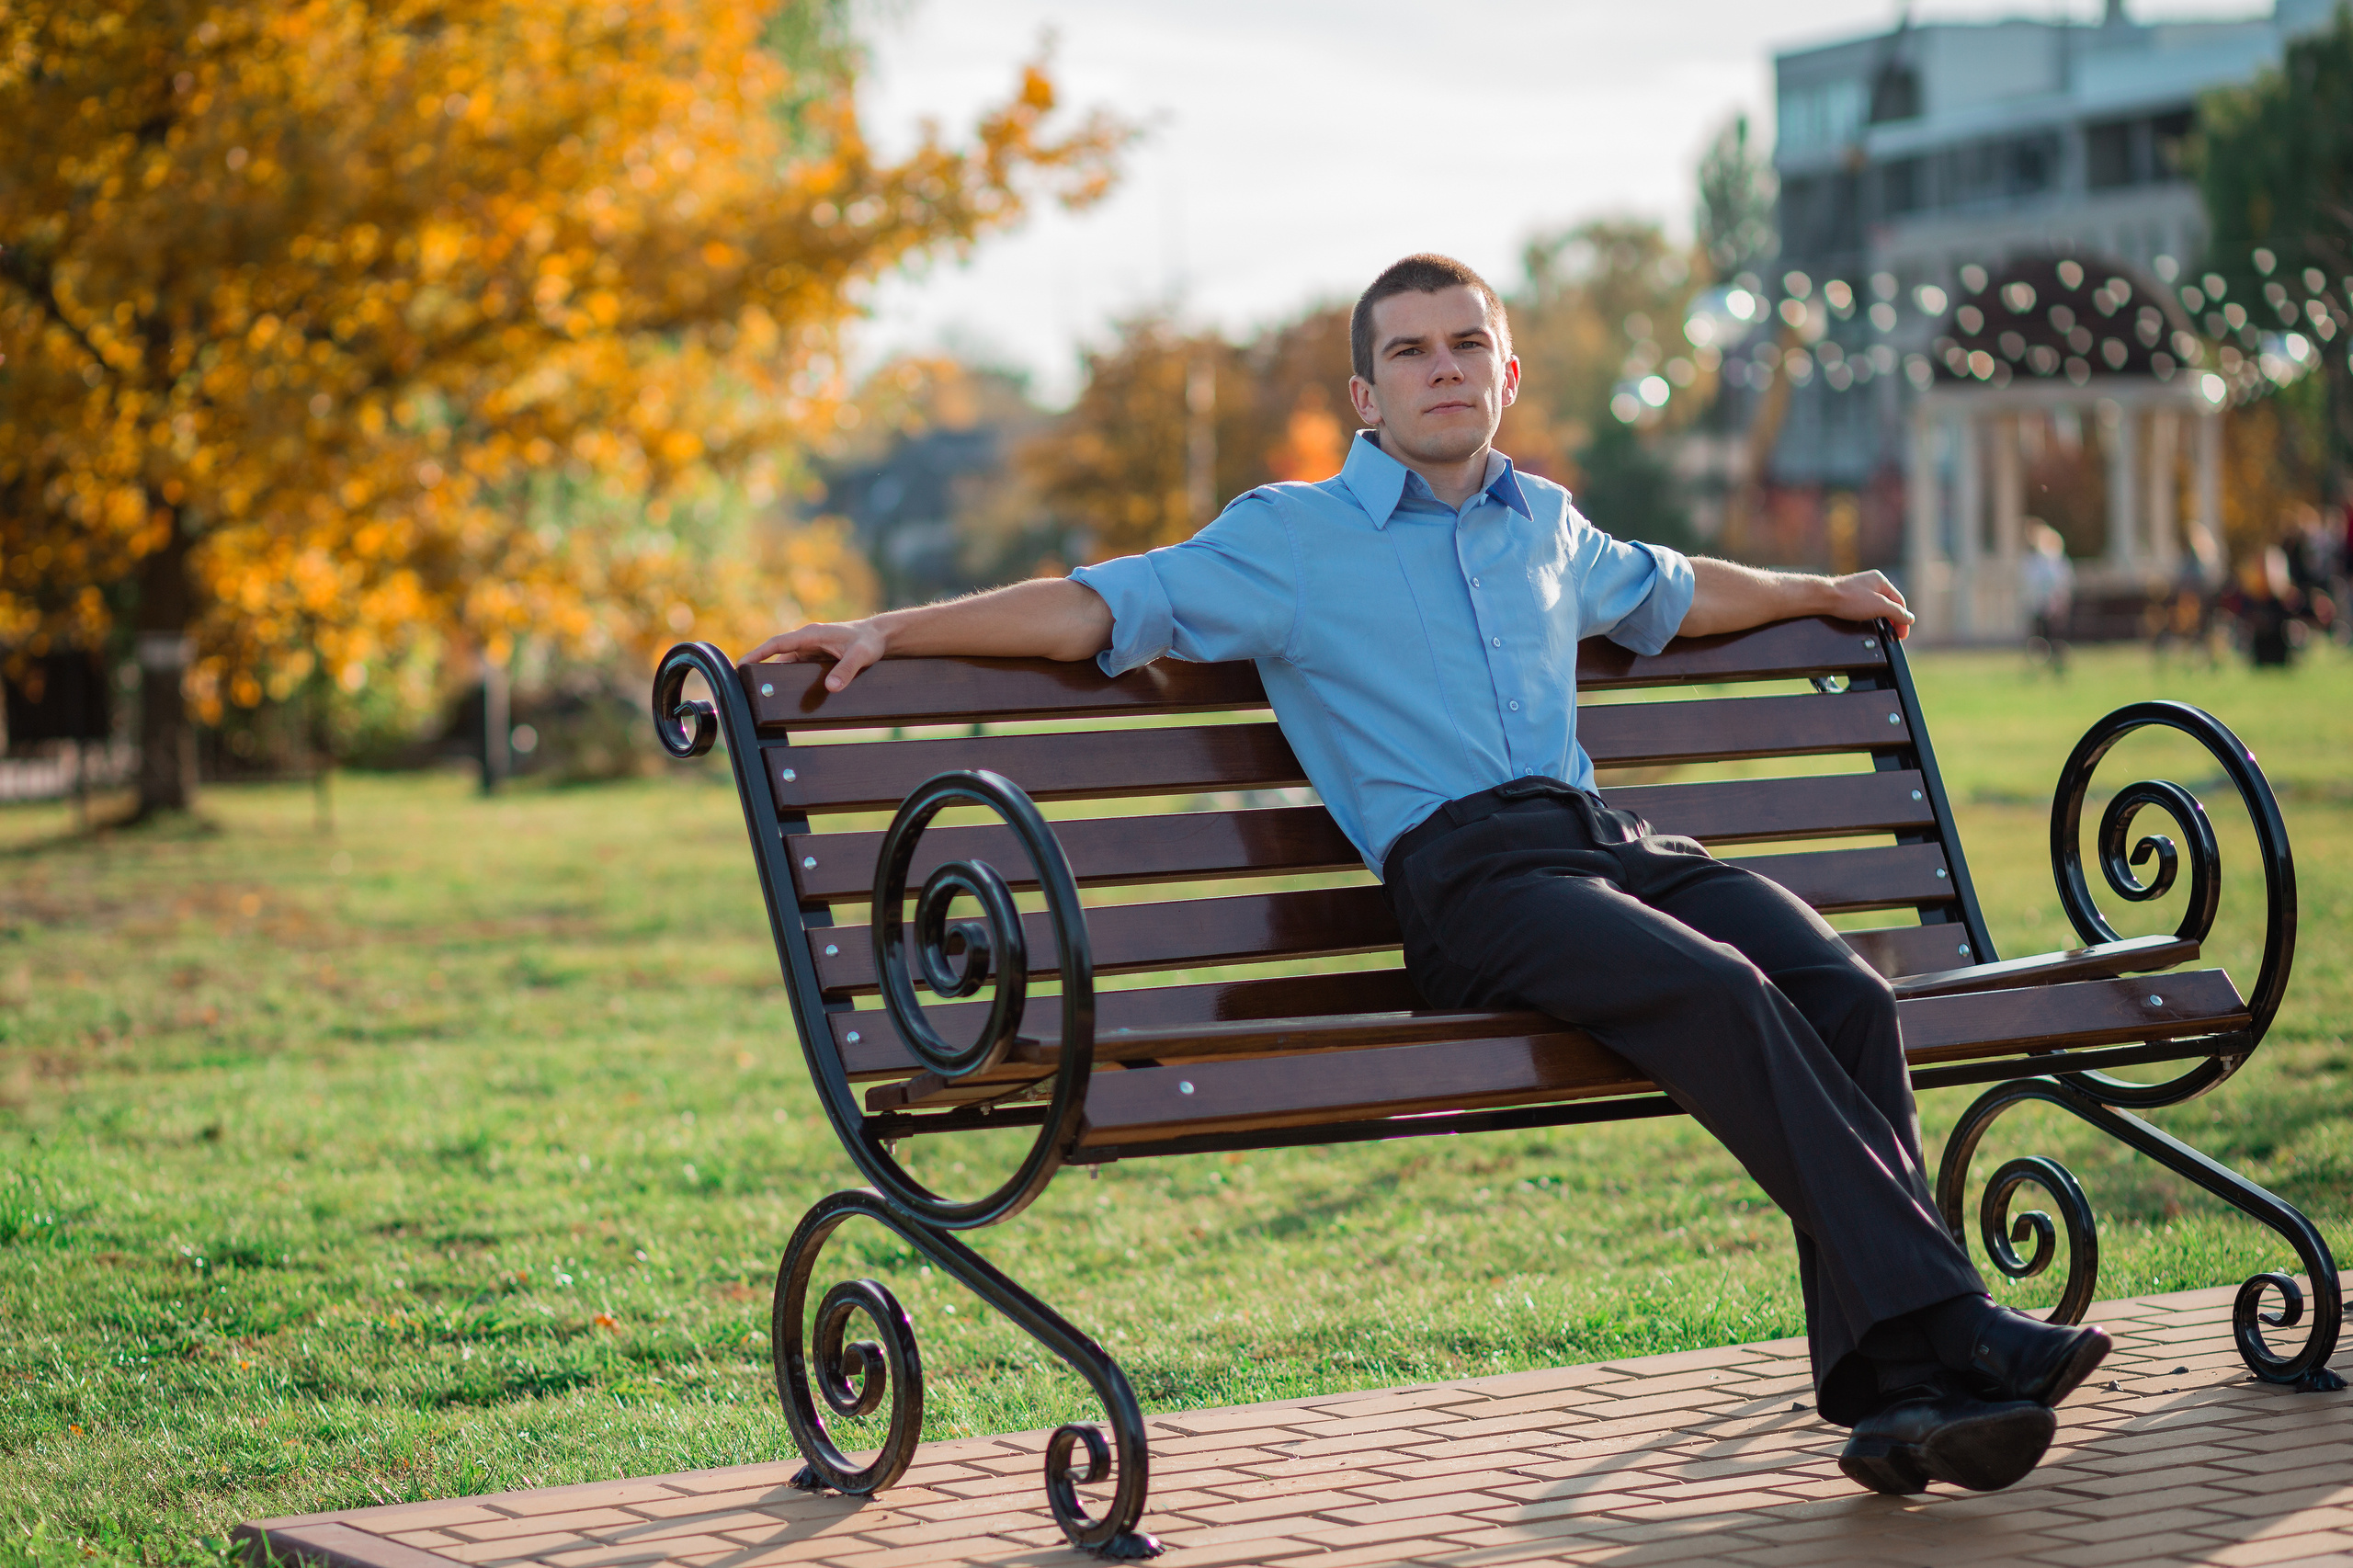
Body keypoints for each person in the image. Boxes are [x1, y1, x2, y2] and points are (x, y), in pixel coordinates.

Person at [750, 254, 2111, 1495]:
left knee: (1844, 993)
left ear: (1508, 376)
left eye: (1469, 344)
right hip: (1471, 886)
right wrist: (889, 626)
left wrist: (1817, 590)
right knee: (1728, 995)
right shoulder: (1292, 536)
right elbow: (1105, 604)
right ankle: (1951, 1327)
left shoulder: (1549, 526)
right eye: (1412, 351)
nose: (1445, 367)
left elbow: (1677, 587)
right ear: (1366, 391)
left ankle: (1899, 1396)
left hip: (1608, 844)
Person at [2018, 520, 2074, 675]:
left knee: (2053, 641)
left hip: (2052, 608)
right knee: (2039, 641)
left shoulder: (2054, 562)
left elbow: (2061, 584)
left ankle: (2056, 667)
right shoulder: (2033, 562)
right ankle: (2041, 668)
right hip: (2040, 606)